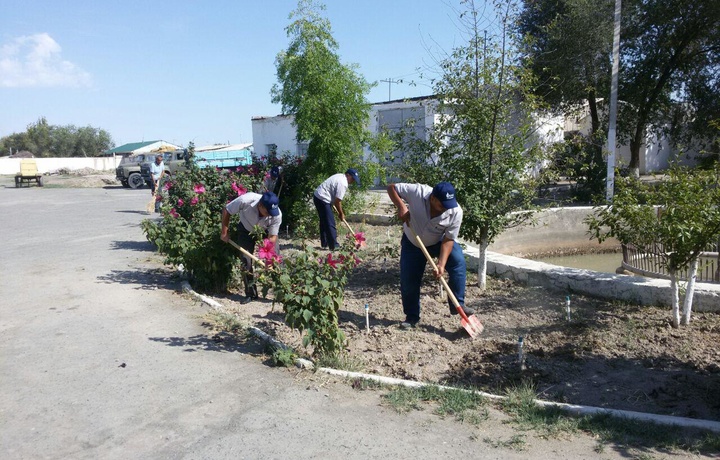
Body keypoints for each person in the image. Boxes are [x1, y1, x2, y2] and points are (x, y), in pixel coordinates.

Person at [386, 181, 474, 329]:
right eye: (442, 205)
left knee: (458, 261)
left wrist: (441, 264)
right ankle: (412, 316)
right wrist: (401, 206)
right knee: (409, 279)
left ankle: (457, 304)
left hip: (438, 241)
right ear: (432, 198)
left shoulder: (455, 211)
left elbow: (449, 239)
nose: (446, 209)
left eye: (448, 205)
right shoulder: (418, 192)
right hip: (413, 243)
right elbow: (391, 187)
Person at [220, 191, 282, 303]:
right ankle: (251, 294)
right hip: (245, 229)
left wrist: (268, 260)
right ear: (261, 205)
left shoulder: (276, 215)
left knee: (275, 259)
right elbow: (227, 210)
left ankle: (281, 292)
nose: (270, 214)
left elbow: (272, 237)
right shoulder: (246, 200)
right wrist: (224, 231)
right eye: (268, 211)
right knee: (245, 260)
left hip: (265, 231)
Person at [313, 168, 360, 250]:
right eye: (352, 178)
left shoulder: (339, 176)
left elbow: (335, 199)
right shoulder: (343, 183)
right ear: (348, 175)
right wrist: (341, 213)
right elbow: (337, 201)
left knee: (324, 221)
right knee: (330, 222)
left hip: (318, 196)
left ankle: (325, 243)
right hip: (323, 198)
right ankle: (334, 246)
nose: (353, 181)